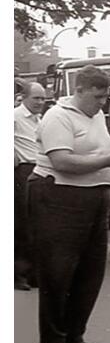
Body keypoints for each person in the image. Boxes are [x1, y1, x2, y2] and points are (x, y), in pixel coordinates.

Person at [29, 65, 110, 343]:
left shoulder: (96, 114)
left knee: (90, 271)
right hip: (59, 195)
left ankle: (75, 335)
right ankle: (53, 340)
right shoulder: (58, 117)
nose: (102, 102)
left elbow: (93, 152)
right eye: (97, 96)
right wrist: (108, 160)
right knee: (58, 270)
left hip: (92, 197)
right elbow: (61, 161)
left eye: (105, 97)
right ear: (79, 91)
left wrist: (108, 166)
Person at [14, 81, 47, 290]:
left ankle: (34, 273)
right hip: (23, 171)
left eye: (43, 98)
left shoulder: (40, 119)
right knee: (22, 222)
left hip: (39, 170)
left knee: (38, 223)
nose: (40, 102)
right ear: (24, 97)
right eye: (36, 98)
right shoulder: (14, 117)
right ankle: (18, 274)